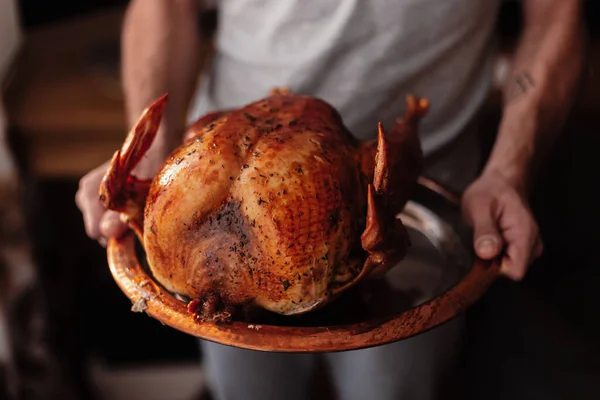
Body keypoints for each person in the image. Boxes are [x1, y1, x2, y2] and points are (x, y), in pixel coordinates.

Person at [75, 0, 586, 399]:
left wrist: (508, 168)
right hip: (202, 183)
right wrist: (148, 153)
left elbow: (557, 12)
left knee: (390, 390)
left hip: (426, 201)